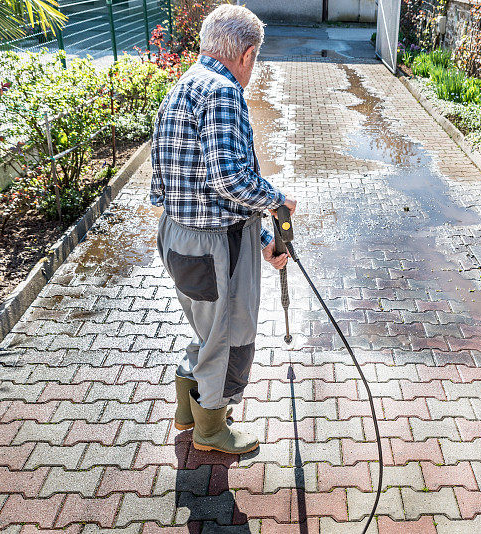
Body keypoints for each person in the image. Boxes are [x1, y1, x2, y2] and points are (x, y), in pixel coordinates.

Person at [150, 4, 296, 455]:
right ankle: (210, 429)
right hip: (214, 245)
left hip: (178, 235)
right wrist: (278, 201)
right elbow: (230, 180)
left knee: (206, 328)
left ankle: (187, 408)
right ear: (248, 53)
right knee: (227, 336)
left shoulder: (186, 83)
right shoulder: (223, 92)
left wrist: (267, 238)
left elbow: (203, 183)